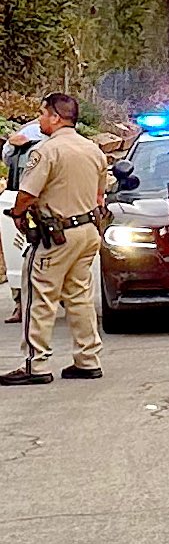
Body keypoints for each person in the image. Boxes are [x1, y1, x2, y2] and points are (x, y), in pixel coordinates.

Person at [1, 95, 108, 385]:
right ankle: (87, 360)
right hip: (87, 232)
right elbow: (100, 195)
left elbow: (27, 194)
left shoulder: (46, 151)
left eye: (42, 114)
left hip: (57, 235)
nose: (39, 121)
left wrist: (18, 213)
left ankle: (35, 365)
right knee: (79, 296)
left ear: (56, 117)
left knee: (39, 295)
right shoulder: (93, 150)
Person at [1, 117, 43, 324]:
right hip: (21, 205)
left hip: (47, 210)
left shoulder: (52, 148)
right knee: (18, 257)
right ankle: (20, 304)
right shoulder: (18, 150)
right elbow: (8, 159)